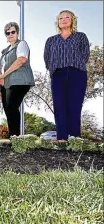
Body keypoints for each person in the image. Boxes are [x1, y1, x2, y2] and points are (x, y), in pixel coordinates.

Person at [44, 10, 90, 141]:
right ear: (57, 22)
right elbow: (47, 58)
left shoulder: (81, 37)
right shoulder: (51, 40)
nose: (63, 20)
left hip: (77, 73)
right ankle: (62, 139)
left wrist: (74, 64)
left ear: (73, 20)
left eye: (67, 17)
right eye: (60, 18)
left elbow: (85, 55)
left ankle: (75, 140)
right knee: (59, 106)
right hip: (57, 74)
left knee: (75, 107)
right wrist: (54, 70)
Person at [0, 22, 35, 137]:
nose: (10, 34)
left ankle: (15, 138)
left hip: (20, 81)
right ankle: (12, 138)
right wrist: (0, 78)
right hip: (6, 83)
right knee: (8, 110)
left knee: (12, 106)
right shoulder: (5, 51)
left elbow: (21, 60)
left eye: (13, 32)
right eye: (8, 33)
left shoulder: (22, 44)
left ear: (17, 33)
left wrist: (3, 75)